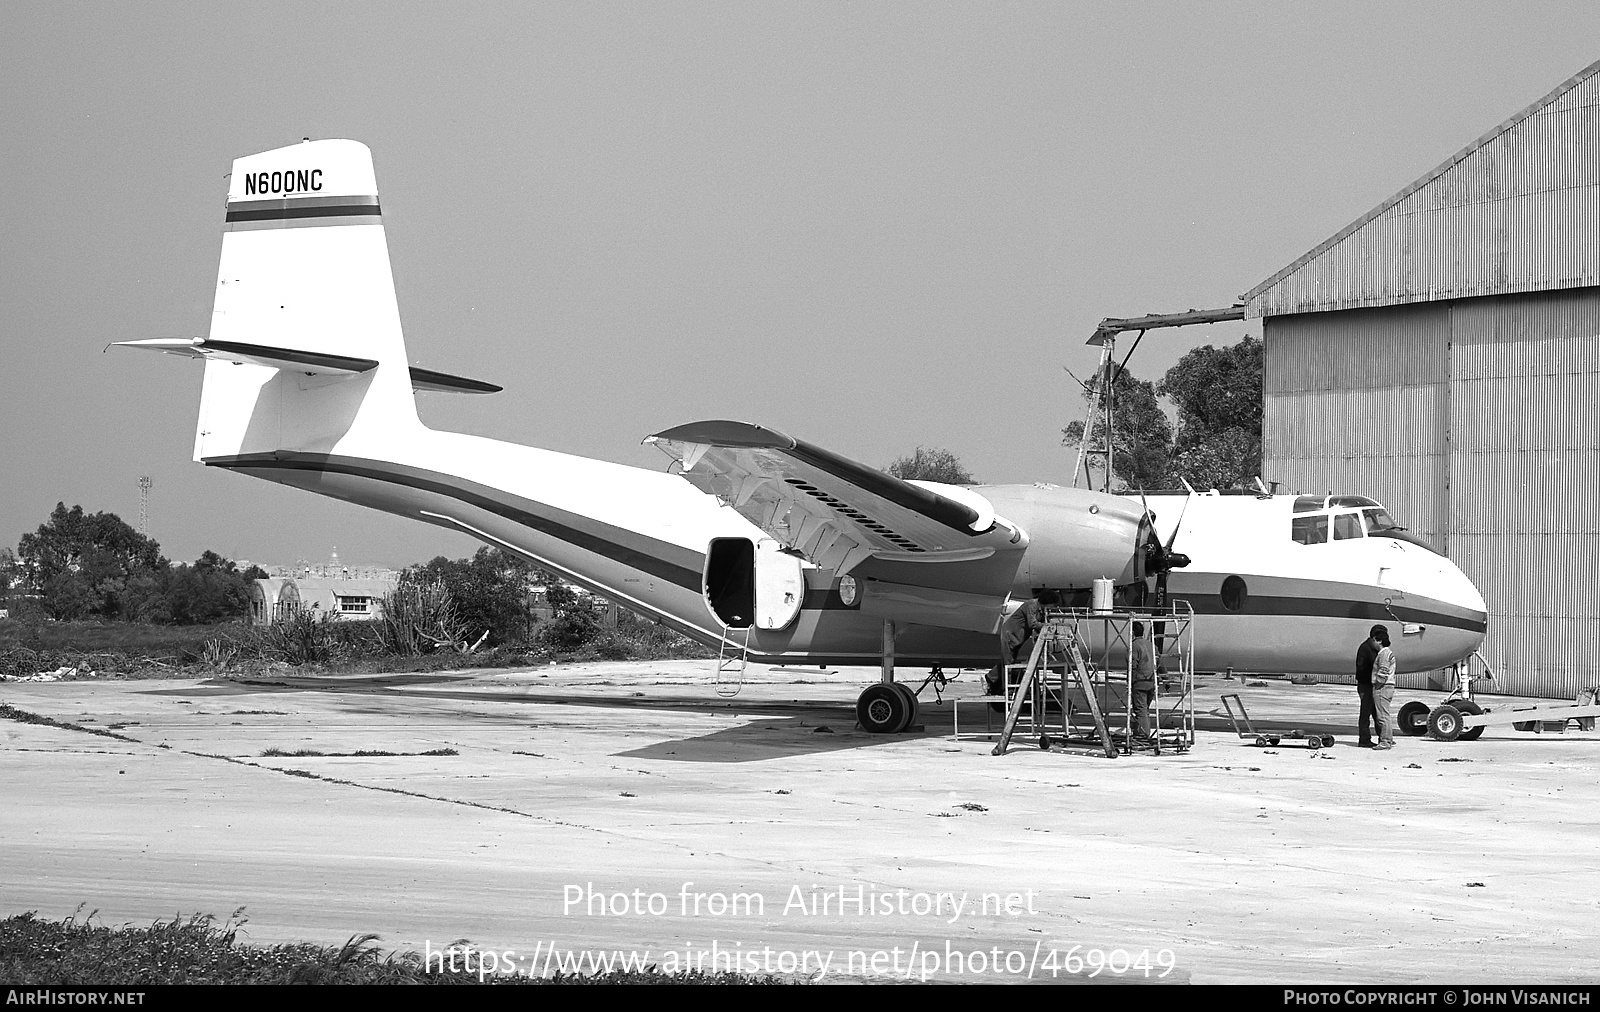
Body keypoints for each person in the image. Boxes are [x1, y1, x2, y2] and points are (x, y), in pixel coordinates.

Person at [1354, 624, 1386, 747]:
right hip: (1366, 685)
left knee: (1376, 712)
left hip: (1370, 685)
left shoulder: (1371, 648)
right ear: (1374, 638)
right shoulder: (1366, 649)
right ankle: (1364, 739)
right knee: (1365, 713)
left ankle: (1382, 737)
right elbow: (1365, 668)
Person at [1130, 621, 1156, 741]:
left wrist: (1131, 682)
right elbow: (1160, 663)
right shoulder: (1151, 645)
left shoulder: (1134, 646)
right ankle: (1140, 731)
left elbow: (1132, 665)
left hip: (1140, 683)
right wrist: (1166, 679)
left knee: (1140, 711)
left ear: (1132, 632)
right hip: (1151, 682)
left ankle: (1143, 735)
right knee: (1144, 710)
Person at [1372, 628, 1397, 749]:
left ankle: (1385, 741)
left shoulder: (1383, 654)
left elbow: (1383, 671)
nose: (1373, 643)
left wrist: (1377, 684)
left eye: (1374, 640)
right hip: (1388, 686)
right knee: (1385, 714)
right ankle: (1388, 739)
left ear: (1379, 640)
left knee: (1382, 716)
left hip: (1383, 687)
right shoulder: (1388, 653)